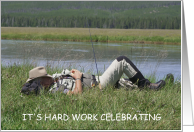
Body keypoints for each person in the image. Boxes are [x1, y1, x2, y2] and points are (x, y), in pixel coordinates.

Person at [21, 56, 166, 95]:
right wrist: (77, 77)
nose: (49, 76)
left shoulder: (55, 80)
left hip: (98, 80)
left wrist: (72, 74)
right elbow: (76, 94)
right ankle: (147, 85)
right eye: (46, 77)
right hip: (99, 84)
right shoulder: (55, 90)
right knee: (122, 61)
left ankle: (157, 84)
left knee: (130, 84)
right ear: (42, 83)